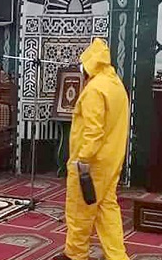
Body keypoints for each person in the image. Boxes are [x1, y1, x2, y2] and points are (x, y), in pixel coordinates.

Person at [54, 38, 130, 260]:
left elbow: (93, 131)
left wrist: (82, 159)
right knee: (107, 209)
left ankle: (75, 254)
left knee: (80, 209)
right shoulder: (115, 84)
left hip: (91, 163)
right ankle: (117, 256)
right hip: (111, 159)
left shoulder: (94, 90)